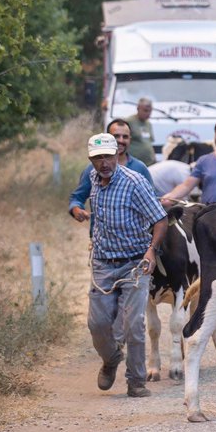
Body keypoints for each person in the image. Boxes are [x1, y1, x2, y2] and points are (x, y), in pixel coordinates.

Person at [75, 132, 167, 397]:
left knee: (133, 324)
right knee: (97, 324)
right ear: (91, 160)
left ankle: (136, 381)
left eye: (108, 156)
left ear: (117, 154)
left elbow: (160, 220)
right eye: (97, 158)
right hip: (103, 263)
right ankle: (111, 359)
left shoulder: (135, 182)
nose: (103, 163)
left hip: (135, 263)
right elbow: (79, 200)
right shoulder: (92, 178)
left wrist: (151, 252)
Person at [69, 119, 154, 223]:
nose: (121, 140)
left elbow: (153, 201)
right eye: (116, 136)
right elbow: (77, 197)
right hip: (99, 232)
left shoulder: (140, 168)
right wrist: (76, 209)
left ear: (130, 139)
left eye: (125, 137)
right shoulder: (93, 169)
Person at [124, 97, 157, 164]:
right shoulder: (129, 122)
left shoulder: (148, 124)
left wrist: (154, 157)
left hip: (149, 163)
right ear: (138, 108)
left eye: (150, 111)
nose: (148, 113)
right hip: (133, 163)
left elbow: (149, 143)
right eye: (145, 110)